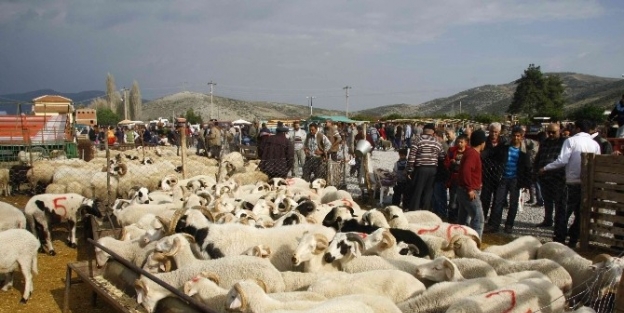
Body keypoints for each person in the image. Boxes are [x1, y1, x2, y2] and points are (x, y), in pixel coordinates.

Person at [539, 119, 601, 248]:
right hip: (586, 183)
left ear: (577, 129)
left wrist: (546, 168)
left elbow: (562, 160)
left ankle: (559, 239)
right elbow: (597, 163)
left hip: (571, 182)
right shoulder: (594, 144)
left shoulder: (571, 141)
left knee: (563, 212)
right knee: (580, 213)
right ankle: (573, 238)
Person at [484, 126, 532, 234]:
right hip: (503, 178)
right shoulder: (504, 147)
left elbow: (528, 168)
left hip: (515, 180)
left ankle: (509, 225)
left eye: (518, 136)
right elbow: (491, 152)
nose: (515, 138)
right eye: (514, 135)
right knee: (498, 202)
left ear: (521, 137)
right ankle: (495, 225)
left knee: (513, 203)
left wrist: (526, 183)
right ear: (511, 136)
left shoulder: (524, 152)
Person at [405, 123, 445, 212]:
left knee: (417, 191)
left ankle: (414, 211)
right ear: (433, 132)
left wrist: (409, 170)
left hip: (421, 169)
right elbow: (442, 157)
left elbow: (412, 157)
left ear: (424, 131)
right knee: (428, 192)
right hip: (433, 169)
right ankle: (426, 211)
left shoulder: (417, 140)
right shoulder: (437, 142)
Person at [533, 123, 566, 228]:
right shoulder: (545, 142)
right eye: (549, 132)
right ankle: (548, 220)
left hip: (558, 176)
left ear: (559, 131)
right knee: (547, 200)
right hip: (544, 176)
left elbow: (563, 160)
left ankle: (558, 223)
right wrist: (536, 169)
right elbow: (539, 157)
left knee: (559, 202)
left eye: (553, 132)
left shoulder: (564, 142)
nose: (551, 134)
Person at [457, 129, 487, 238]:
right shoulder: (473, 154)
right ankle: (475, 242)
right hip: (468, 191)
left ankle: (460, 239)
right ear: (482, 142)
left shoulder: (470, 152)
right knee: (478, 218)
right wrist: (470, 188)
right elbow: (466, 170)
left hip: (465, 189)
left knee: (463, 219)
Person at [480, 122, 508, 221]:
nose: (493, 134)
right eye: (492, 131)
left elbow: (504, 157)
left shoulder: (504, 142)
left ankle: (494, 221)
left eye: (496, 132)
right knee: (485, 198)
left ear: (499, 132)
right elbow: (481, 155)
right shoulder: (485, 141)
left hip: (499, 173)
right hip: (487, 173)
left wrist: (489, 153)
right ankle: (482, 218)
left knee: (498, 200)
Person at [445, 134, 469, 224]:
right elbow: (446, 163)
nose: (459, 144)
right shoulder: (452, 151)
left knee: (462, 200)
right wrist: (451, 163)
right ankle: (451, 219)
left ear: (466, 143)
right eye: (458, 141)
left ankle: (461, 220)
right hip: (454, 178)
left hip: (464, 179)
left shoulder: (468, 152)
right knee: (453, 200)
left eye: (461, 142)